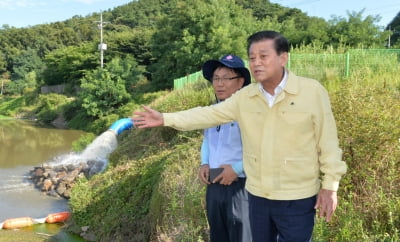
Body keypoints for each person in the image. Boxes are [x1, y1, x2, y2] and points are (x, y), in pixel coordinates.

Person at [133, 30, 347, 242]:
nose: (256, 63)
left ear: (283, 57)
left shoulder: (311, 91)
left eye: (264, 56)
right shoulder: (246, 97)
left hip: (296, 196)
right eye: (252, 58)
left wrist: (330, 186)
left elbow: (327, 142)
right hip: (257, 197)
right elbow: (208, 114)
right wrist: (165, 118)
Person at [199, 54, 252, 242]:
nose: (219, 84)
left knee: (242, 235)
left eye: (226, 78)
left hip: (241, 186)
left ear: (240, 82)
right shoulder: (213, 111)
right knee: (218, 235)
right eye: (216, 78)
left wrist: (237, 169)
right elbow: (207, 140)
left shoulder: (250, 112)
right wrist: (204, 163)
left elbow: (261, 152)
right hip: (214, 184)